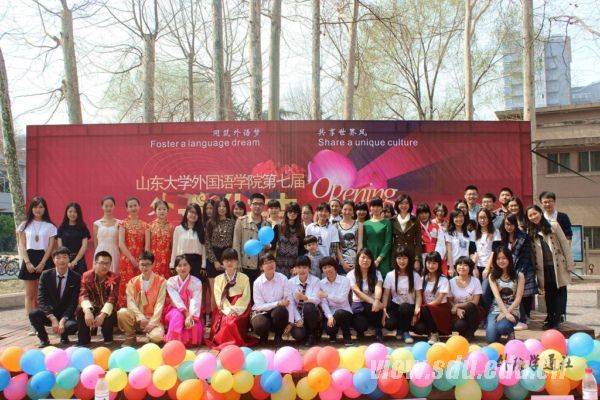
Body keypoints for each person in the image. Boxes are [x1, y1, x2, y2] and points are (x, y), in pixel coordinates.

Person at [527, 204, 573, 330]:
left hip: (558, 265)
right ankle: (550, 316)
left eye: (535, 213)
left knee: (560, 292)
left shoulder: (553, 225)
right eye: (530, 215)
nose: (533, 217)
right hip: (543, 267)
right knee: (548, 293)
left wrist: (569, 264)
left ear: (540, 213)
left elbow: (564, 244)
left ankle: (557, 319)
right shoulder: (530, 231)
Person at [29, 247, 81, 347]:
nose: (61, 260)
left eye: (64, 257)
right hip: (50, 313)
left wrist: (63, 319)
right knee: (34, 314)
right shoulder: (45, 275)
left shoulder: (76, 277)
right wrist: (52, 318)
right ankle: (44, 339)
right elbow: (41, 299)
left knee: (73, 326)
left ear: (69, 259)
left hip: (66, 314)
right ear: (53, 260)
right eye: (58, 258)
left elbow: (73, 302)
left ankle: (64, 336)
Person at [17, 196, 57, 326]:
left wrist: (43, 263)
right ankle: (33, 325)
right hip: (29, 258)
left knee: (45, 294)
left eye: (40, 207)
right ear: (31, 208)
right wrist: (27, 262)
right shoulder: (24, 225)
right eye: (35, 206)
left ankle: (48, 322)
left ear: (45, 209)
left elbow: (50, 247)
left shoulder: (50, 226)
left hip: (45, 259)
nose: (38, 209)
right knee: (30, 294)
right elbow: (22, 245)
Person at [206, 249, 256, 349]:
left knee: (232, 321)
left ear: (237, 262)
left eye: (232, 260)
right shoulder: (218, 279)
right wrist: (228, 310)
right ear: (222, 262)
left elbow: (246, 297)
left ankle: (232, 342)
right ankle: (226, 342)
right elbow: (218, 298)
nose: (229, 263)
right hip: (223, 307)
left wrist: (236, 310)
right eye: (226, 260)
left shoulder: (244, 278)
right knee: (227, 320)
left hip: (240, 308)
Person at [117, 251, 166, 346]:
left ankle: (150, 336)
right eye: (142, 264)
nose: (144, 267)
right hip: (137, 318)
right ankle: (130, 338)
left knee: (157, 337)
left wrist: (152, 323)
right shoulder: (132, 282)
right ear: (139, 264)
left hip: (153, 319)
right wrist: (141, 317)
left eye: (147, 264)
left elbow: (160, 303)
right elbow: (130, 303)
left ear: (153, 264)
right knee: (122, 312)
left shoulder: (161, 281)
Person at [498, 214, 536, 330]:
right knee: (508, 294)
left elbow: (525, 257)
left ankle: (523, 320)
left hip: (522, 269)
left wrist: (518, 273)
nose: (508, 227)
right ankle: (516, 318)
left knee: (521, 295)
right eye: (506, 224)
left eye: (511, 224)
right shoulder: (502, 236)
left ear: (515, 224)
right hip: (506, 269)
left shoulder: (523, 237)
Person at [539, 191, 572, 324]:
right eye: (544, 202)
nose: (547, 204)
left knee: (561, 288)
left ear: (554, 201)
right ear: (541, 204)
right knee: (549, 289)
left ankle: (560, 314)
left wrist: (565, 257)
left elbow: (568, 238)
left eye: (550, 201)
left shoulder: (562, 217)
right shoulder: (539, 218)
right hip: (545, 260)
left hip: (559, 260)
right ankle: (550, 314)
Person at [77, 251, 120, 345]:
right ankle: (84, 339)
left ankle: (108, 337)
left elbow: (113, 298)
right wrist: (87, 311)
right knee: (80, 309)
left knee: (110, 313)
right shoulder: (86, 276)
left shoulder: (114, 277)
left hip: (106, 308)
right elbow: (83, 294)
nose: (105, 266)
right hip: (92, 306)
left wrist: (102, 315)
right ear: (95, 263)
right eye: (102, 263)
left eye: (107, 263)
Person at [251, 254, 295, 347]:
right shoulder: (257, 283)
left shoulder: (283, 279)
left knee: (281, 311)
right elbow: (259, 306)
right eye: (266, 263)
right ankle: (263, 337)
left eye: (272, 262)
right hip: (262, 312)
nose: (270, 265)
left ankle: (278, 336)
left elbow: (289, 300)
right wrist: (277, 303)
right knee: (259, 325)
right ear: (261, 267)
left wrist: (291, 322)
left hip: (277, 313)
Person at [381, 246, 422, 344]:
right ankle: (399, 329)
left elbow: (419, 295)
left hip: (409, 307)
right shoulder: (390, 275)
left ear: (409, 259)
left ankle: (405, 331)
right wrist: (384, 310)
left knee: (419, 327)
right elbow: (386, 295)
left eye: (404, 258)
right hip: (395, 307)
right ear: (395, 259)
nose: (402, 261)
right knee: (389, 324)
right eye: (399, 258)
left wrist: (417, 310)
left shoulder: (415, 276)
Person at [233, 193, 273, 286]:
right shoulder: (241, 221)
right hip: (245, 264)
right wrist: (237, 264)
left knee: (259, 292)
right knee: (246, 292)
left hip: (261, 266)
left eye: (260, 204)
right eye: (255, 204)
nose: (258, 206)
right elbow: (236, 244)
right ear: (250, 205)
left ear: (263, 206)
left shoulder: (267, 224)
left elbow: (267, 245)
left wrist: (268, 246)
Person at [485, 247, 524, 343]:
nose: (501, 261)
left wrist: (506, 313)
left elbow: (518, 299)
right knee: (491, 339)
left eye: (504, 258)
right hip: (496, 309)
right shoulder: (492, 276)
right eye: (498, 258)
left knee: (503, 327)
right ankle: (498, 330)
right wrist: (504, 313)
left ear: (509, 259)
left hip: (512, 310)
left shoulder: (519, 275)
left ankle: (509, 331)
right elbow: (497, 297)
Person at [164, 254, 204, 346]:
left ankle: (187, 341)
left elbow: (195, 300)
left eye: (185, 265)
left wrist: (190, 316)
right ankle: (175, 342)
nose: (182, 268)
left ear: (190, 267)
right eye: (179, 266)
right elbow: (176, 300)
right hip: (176, 309)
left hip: (193, 310)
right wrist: (186, 314)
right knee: (177, 317)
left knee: (194, 324)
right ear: (175, 268)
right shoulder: (171, 282)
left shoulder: (197, 282)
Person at [118, 197, 150, 308]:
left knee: (140, 285)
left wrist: (143, 261)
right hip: (127, 260)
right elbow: (121, 243)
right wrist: (132, 259)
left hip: (141, 261)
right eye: (130, 206)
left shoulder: (145, 225)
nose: (133, 208)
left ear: (139, 207)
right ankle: (124, 313)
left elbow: (147, 246)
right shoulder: (123, 224)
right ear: (127, 209)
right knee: (127, 285)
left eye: (135, 205)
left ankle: (140, 311)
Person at [414, 251, 451, 344]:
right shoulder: (423, 278)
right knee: (419, 328)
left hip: (440, 309)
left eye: (434, 263)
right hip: (426, 310)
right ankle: (430, 332)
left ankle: (434, 334)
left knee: (425, 309)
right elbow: (419, 296)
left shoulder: (443, 280)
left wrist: (424, 307)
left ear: (439, 264)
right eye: (429, 262)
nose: (431, 266)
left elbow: (438, 300)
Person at [289, 255, 326, 346]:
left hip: (312, 312)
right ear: (295, 269)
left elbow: (317, 300)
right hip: (298, 313)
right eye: (299, 267)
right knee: (298, 335)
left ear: (309, 268)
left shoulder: (316, 281)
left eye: (304, 267)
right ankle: (307, 333)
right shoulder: (290, 282)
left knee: (308, 306)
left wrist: (305, 298)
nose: (302, 270)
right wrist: (298, 319)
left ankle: (312, 333)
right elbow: (291, 303)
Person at [348, 249, 384, 343]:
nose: (365, 260)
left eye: (368, 258)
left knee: (375, 308)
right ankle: (360, 331)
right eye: (363, 257)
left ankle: (378, 330)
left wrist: (377, 300)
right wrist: (375, 302)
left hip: (372, 306)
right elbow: (357, 292)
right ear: (358, 259)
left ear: (372, 260)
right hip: (358, 305)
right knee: (360, 325)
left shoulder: (377, 273)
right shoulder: (351, 274)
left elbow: (378, 287)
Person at [319, 256, 354, 346]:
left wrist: (327, 295)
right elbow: (324, 303)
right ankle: (333, 335)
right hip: (331, 313)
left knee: (340, 313)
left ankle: (347, 335)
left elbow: (341, 299)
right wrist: (329, 316)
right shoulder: (321, 283)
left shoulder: (345, 280)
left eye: (329, 266)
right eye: (324, 268)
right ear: (322, 270)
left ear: (335, 267)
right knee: (329, 329)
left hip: (345, 312)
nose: (327, 269)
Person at [448, 256, 484, 340]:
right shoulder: (451, 282)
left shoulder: (476, 281)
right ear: (456, 266)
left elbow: (475, 302)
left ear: (470, 268)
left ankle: (470, 333)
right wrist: (457, 309)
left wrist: (458, 305)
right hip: (457, 312)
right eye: (459, 264)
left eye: (465, 265)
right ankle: (464, 333)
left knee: (470, 306)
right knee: (459, 325)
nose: (462, 267)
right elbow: (449, 301)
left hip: (472, 311)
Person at [206, 197, 235, 296]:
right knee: (215, 293)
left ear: (227, 208)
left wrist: (228, 262)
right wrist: (215, 261)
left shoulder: (232, 223)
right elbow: (207, 244)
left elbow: (234, 243)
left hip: (227, 257)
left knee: (226, 292)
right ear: (216, 208)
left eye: (224, 206)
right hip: (213, 258)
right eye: (219, 206)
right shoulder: (210, 223)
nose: (222, 208)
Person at [170, 203, 207, 280]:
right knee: (182, 285)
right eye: (191, 212)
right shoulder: (178, 229)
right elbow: (175, 247)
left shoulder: (202, 230)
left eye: (196, 213)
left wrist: (203, 265)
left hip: (196, 263)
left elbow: (204, 249)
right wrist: (172, 264)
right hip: (182, 262)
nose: (193, 215)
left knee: (195, 285)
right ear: (186, 212)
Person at [57, 202, 91, 275]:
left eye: (75, 212)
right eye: (70, 211)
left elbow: (84, 246)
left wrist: (75, 261)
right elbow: (60, 247)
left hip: (79, 260)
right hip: (64, 260)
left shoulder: (83, 228)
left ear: (78, 213)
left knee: (80, 280)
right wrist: (67, 261)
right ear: (66, 213)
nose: (72, 214)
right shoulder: (62, 228)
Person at [391, 194, 422, 272]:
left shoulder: (415, 220)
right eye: (401, 203)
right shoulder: (392, 220)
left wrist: (417, 259)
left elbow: (418, 242)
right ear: (397, 205)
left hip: (410, 254)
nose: (404, 205)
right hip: (397, 255)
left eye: (406, 203)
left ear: (410, 205)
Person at [439, 208, 473, 277]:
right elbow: (449, 251)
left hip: (465, 265)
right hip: (454, 265)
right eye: (456, 217)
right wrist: (451, 267)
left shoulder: (468, 234)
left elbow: (469, 251)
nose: (459, 219)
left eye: (461, 216)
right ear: (452, 219)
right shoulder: (449, 233)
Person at [363, 197, 393, 276]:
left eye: (378, 206)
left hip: (384, 258)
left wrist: (379, 259)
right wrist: (367, 258)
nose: (375, 209)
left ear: (382, 208)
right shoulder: (365, 224)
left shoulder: (387, 223)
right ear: (370, 208)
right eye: (373, 206)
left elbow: (388, 243)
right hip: (369, 257)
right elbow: (364, 243)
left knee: (384, 280)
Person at [275, 202, 305, 277]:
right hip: (279, 264)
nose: (292, 213)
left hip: (294, 266)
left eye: (295, 212)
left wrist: (297, 266)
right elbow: (272, 246)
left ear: (298, 214)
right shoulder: (278, 227)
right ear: (286, 212)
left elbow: (301, 250)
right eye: (290, 211)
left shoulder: (301, 229)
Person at [93, 196, 120, 273]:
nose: (109, 208)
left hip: (114, 251)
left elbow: (121, 242)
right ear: (102, 207)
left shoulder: (119, 223)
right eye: (106, 206)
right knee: (99, 274)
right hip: (100, 251)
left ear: (114, 206)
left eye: (111, 206)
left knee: (113, 274)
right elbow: (96, 242)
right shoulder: (96, 224)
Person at [149, 200, 174, 280]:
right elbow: (147, 246)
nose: (162, 211)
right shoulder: (150, 226)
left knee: (166, 282)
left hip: (167, 260)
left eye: (164, 209)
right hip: (153, 259)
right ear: (155, 211)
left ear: (167, 211)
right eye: (159, 209)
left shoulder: (171, 227)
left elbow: (172, 246)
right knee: (153, 281)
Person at [336, 200, 363, 274]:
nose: (347, 212)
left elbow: (360, 244)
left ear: (353, 211)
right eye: (345, 209)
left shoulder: (359, 225)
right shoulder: (336, 226)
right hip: (341, 263)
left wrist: (357, 262)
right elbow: (336, 247)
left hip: (356, 263)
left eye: (350, 210)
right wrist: (343, 263)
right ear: (341, 210)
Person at [472, 208, 501, 278]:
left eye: (485, 217)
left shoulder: (495, 232)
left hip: (490, 266)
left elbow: (495, 251)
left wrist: (487, 268)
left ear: (489, 218)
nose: (482, 220)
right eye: (480, 218)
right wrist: (474, 267)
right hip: (477, 266)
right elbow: (473, 251)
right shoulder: (474, 233)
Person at [417, 203, 442, 271]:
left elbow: (441, 243)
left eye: (426, 213)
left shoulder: (436, 226)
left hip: (434, 256)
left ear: (429, 214)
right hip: (421, 256)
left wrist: (437, 256)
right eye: (421, 213)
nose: (424, 215)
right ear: (418, 215)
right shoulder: (415, 227)